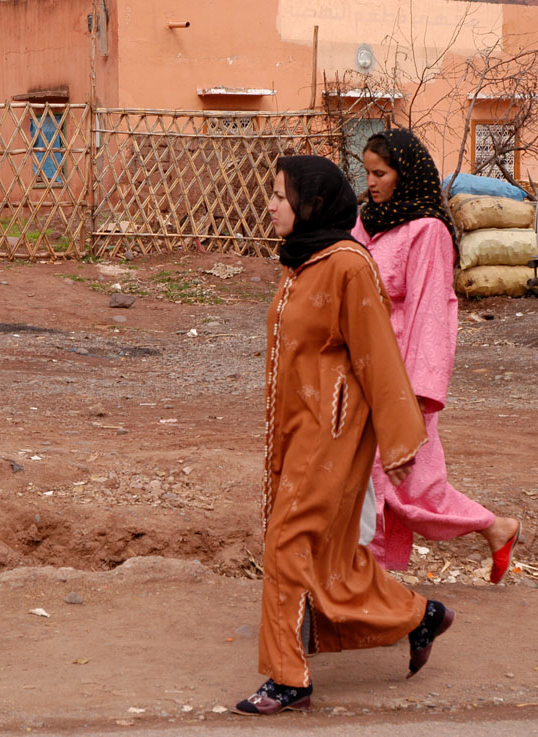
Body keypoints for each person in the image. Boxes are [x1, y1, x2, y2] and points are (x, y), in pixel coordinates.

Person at [235, 156, 454, 716]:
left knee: (287, 542)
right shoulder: (301, 262)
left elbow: (379, 356)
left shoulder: (349, 266)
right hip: (294, 430)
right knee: (330, 557)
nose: (270, 204)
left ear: (311, 203)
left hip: (331, 434)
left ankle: (289, 679)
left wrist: (402, 442)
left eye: (279, 195)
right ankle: (419, 615)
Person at [353, 129, 521, 581]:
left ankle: (370, 579)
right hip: (360, 370)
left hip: (400, 375)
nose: (371, 182)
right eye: (367, 172)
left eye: (380, 173)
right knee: (381, 480)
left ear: (405, 175)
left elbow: (432, 312)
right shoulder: (368, 222)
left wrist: (416, 392)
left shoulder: (427, 232)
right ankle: (371, 578)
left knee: (403, 482)